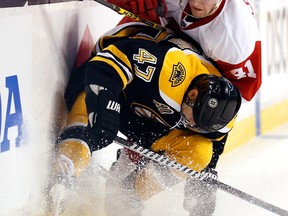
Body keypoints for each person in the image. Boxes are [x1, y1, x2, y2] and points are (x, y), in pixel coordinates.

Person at [47, 24, 242, 215]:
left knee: (199, 152)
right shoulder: (170, 70)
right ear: (191, 94)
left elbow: (213, 144)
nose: (192, 127)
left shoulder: (221, 118)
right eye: (194, 121)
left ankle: (130, 190)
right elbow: (105, 63)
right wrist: (106, 106)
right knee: (93, 123)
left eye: (199, 127)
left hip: (152, 116)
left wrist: (202, 176)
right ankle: (64, 172)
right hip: (112, 82)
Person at [106, 0, 262, 102]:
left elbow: (240, 93)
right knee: (139, 18)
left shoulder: (233, 41)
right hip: (168, 37)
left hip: (198, 74)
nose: (195, 2)